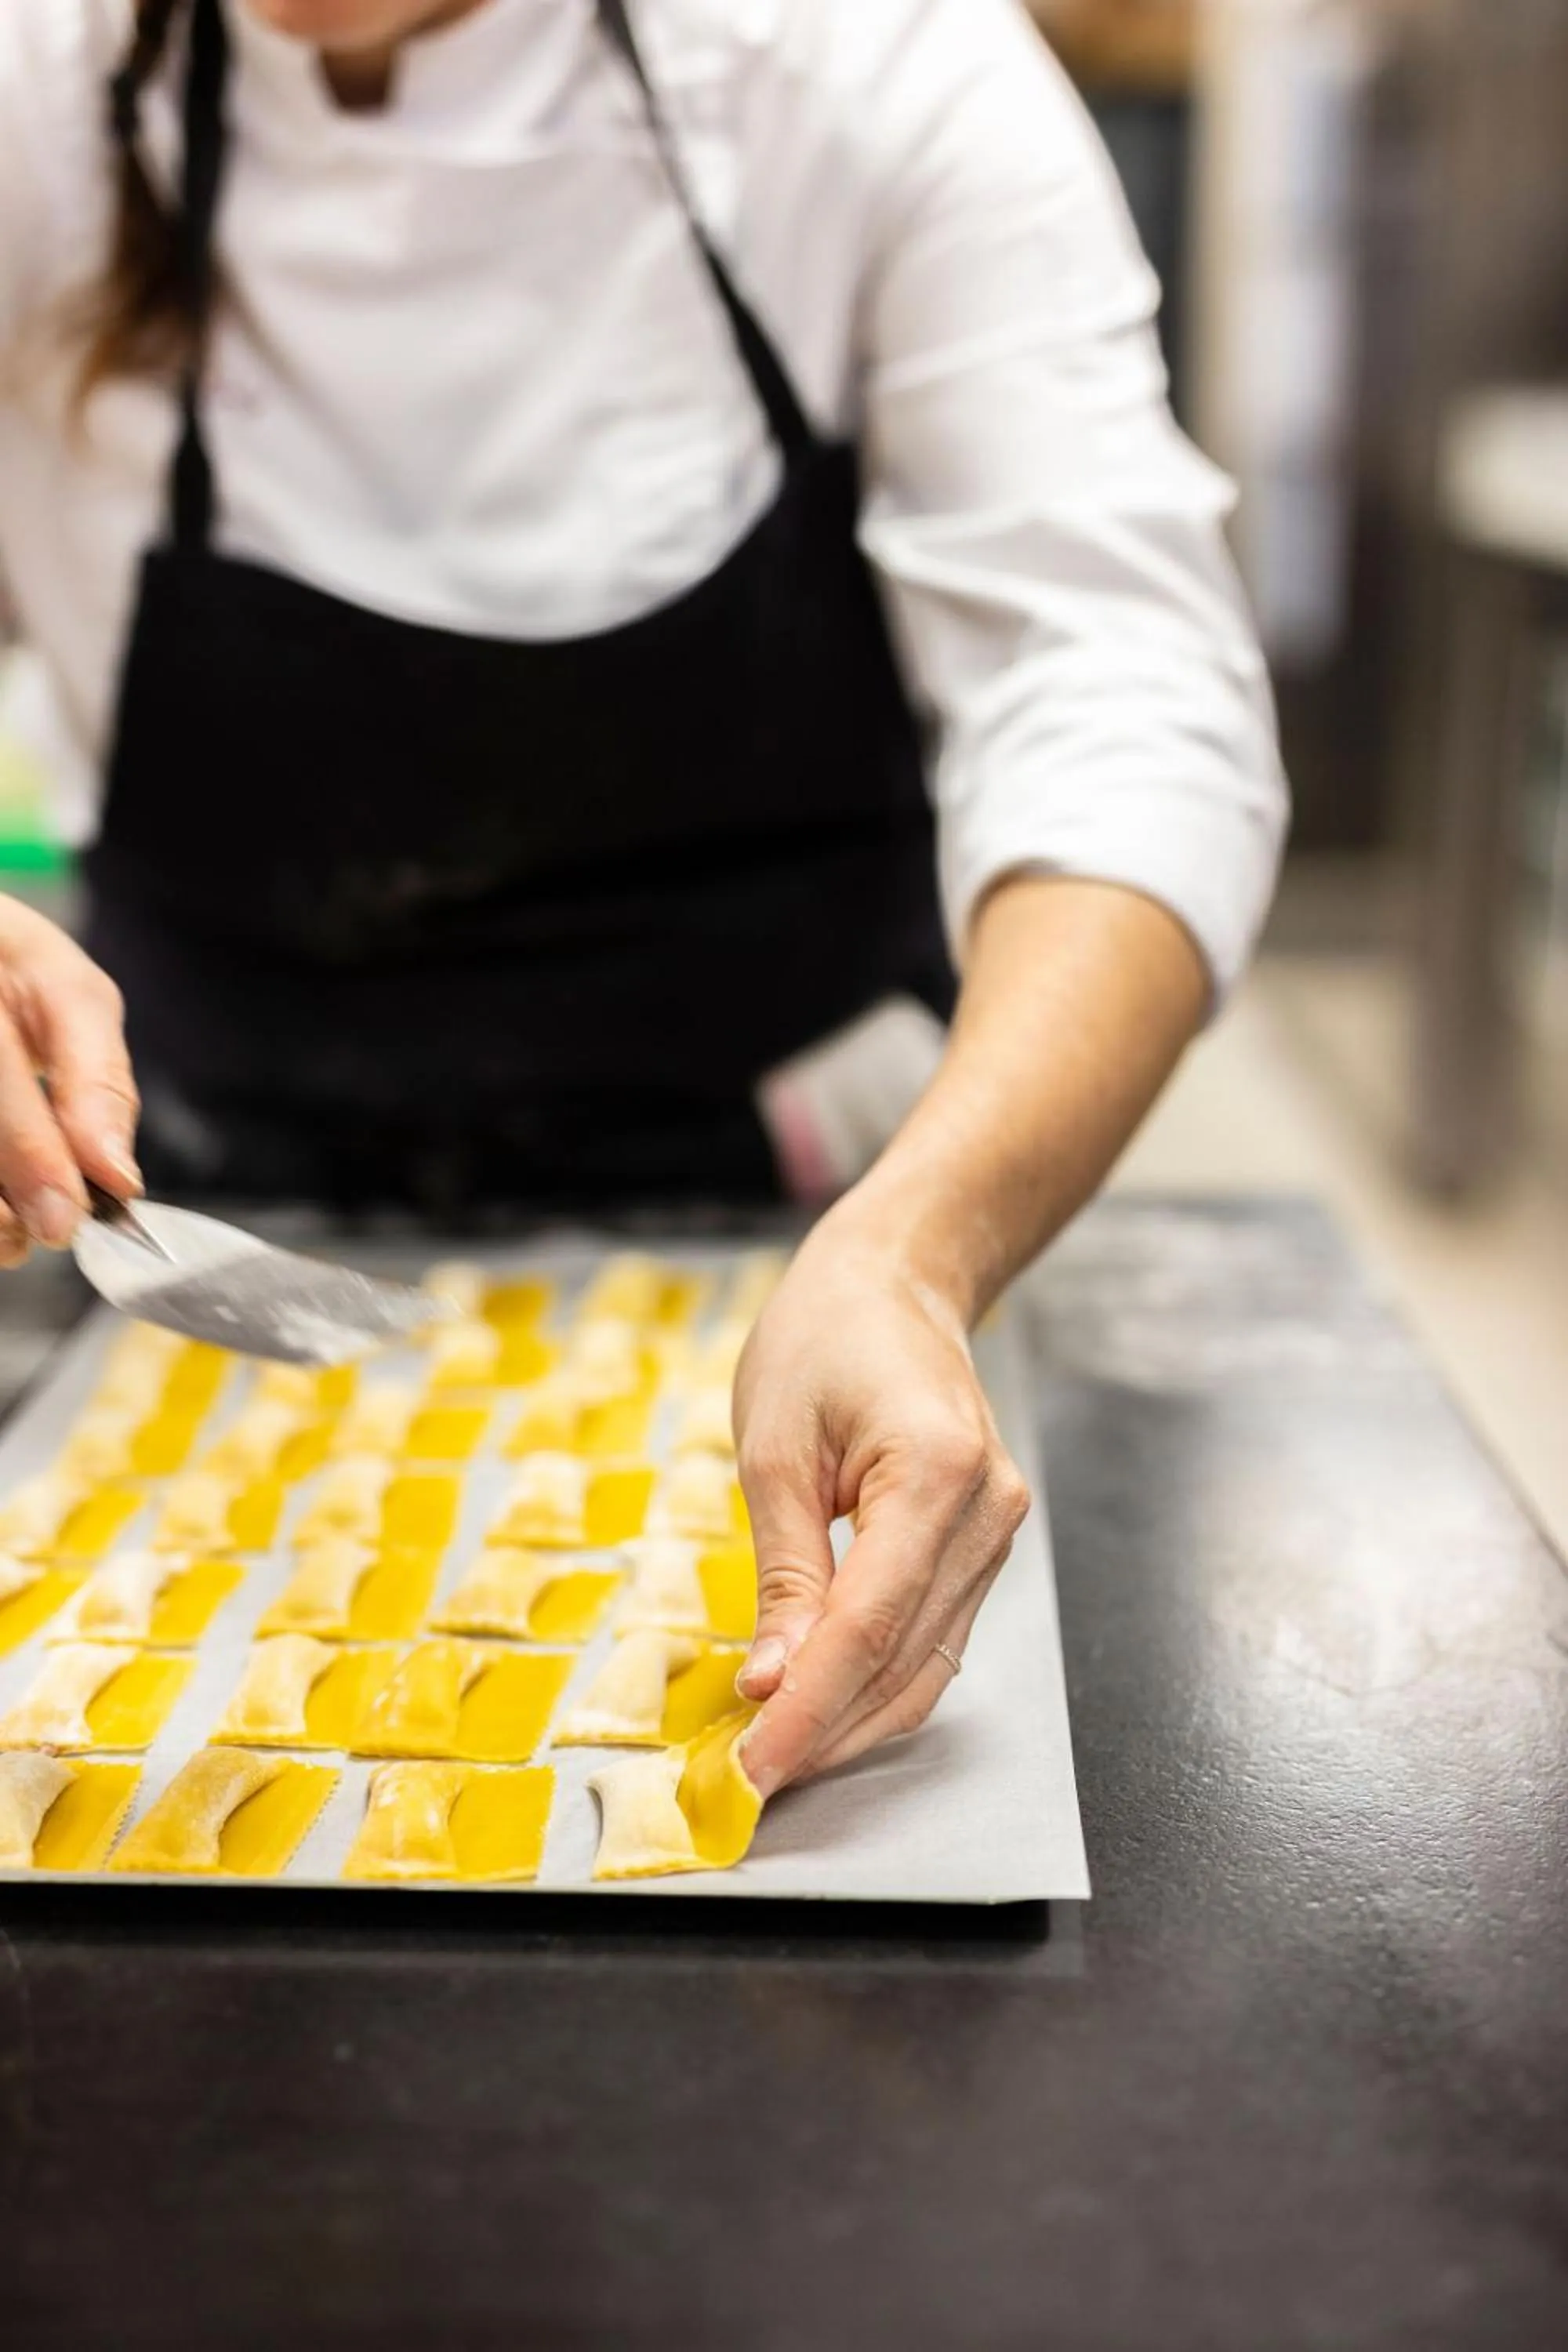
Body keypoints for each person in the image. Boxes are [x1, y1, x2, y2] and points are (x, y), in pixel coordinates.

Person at [0, 0, 1287, 1797]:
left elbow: (1123, 703)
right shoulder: (36, 89)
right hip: (192, 1213)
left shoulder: (858, 63)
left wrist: (917, 1255)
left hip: (803, 1220)